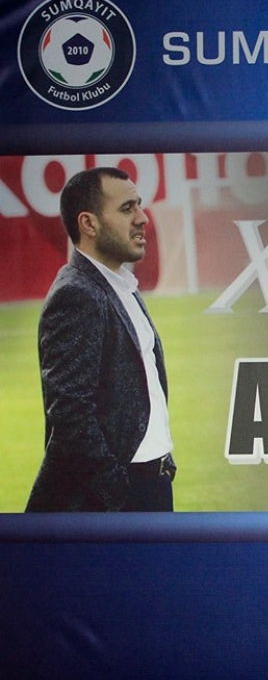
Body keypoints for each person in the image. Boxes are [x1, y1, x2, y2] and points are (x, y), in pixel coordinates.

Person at [26, 166, 176, 512]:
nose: (142, 218)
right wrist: (116, 488)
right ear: (89, 224)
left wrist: (162, 466)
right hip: (114, 498)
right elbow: (70, 413)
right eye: (127, 208)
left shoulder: (121, 286)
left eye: (139, 205)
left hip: (149, 482)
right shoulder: (77, 294)